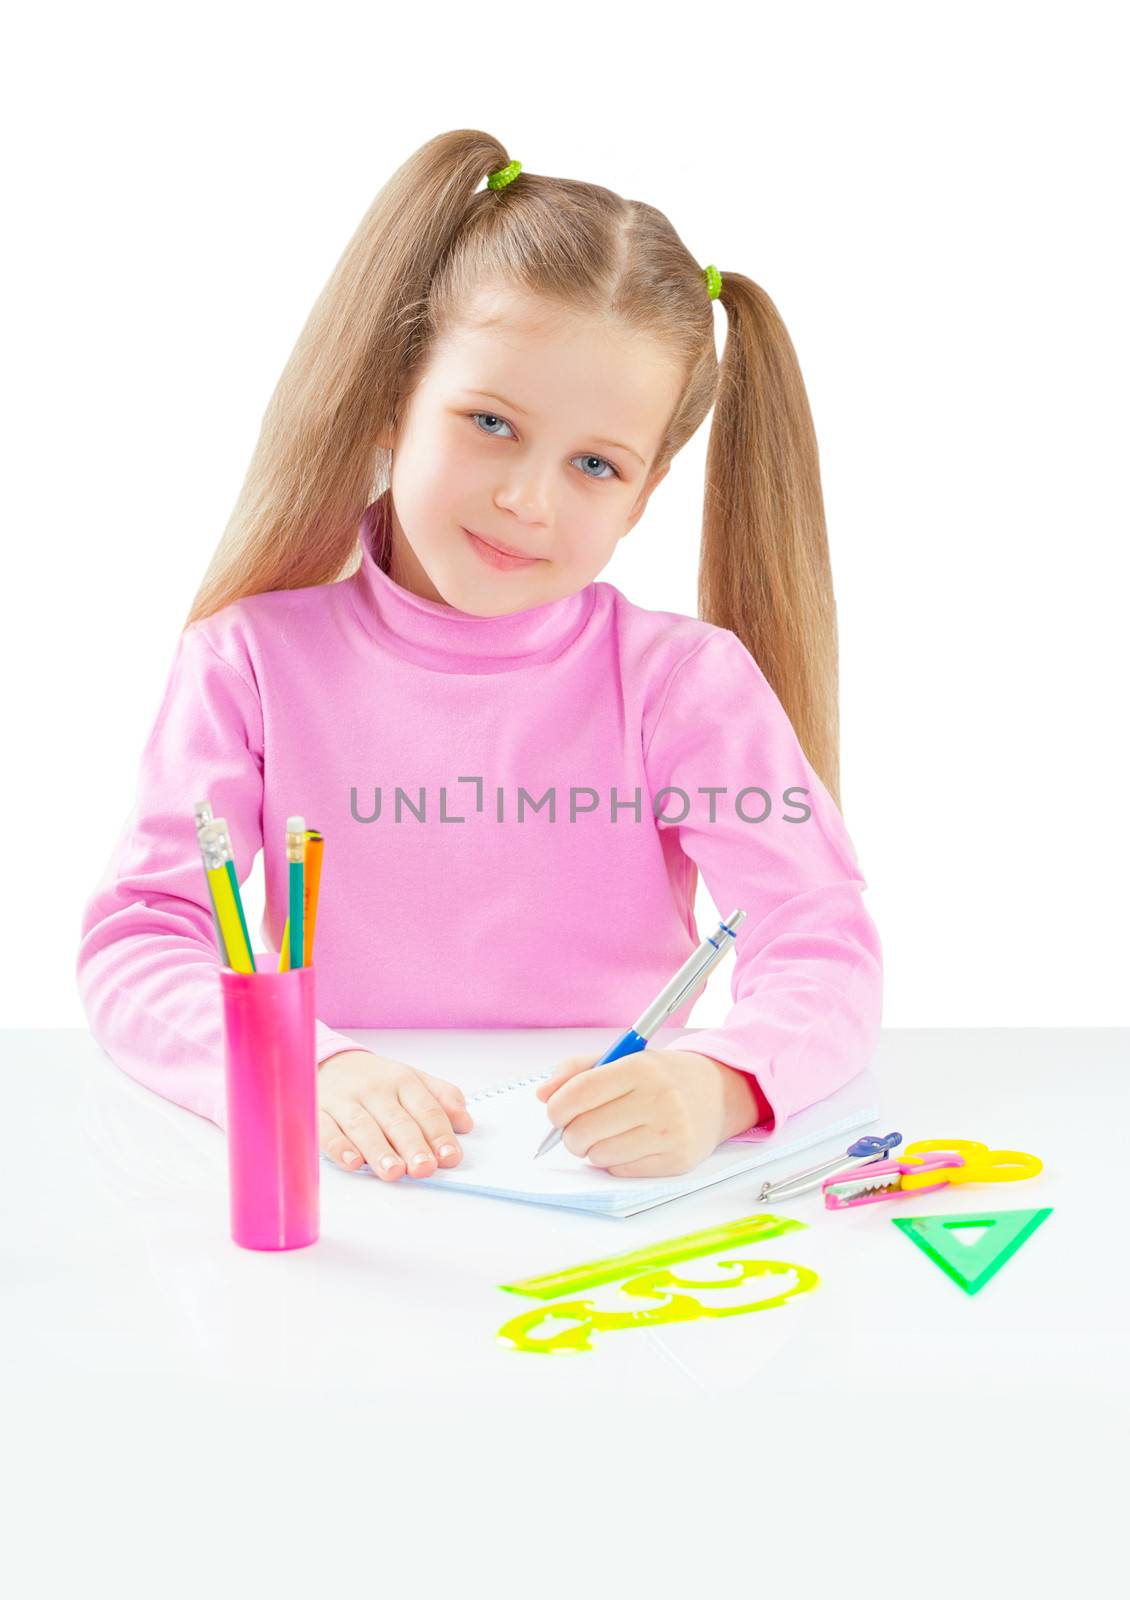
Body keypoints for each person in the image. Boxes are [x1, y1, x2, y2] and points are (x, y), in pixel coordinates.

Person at [77, 129, 883, 1184]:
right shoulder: (245, 664)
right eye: (490, 422)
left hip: (597, 1192)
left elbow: (819, 939)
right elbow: (140, 940)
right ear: (391, 397)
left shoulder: (685, 686)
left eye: (595, 464)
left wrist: (718, 1080)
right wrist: (304, 1066)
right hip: (342, 1185)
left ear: (642, 495)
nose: (526, 499)